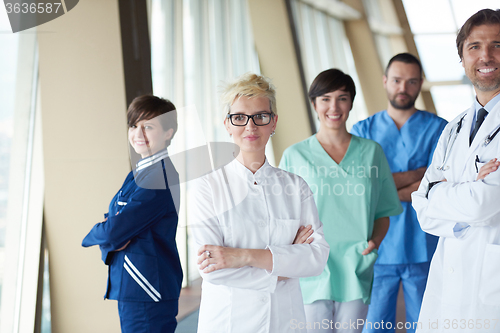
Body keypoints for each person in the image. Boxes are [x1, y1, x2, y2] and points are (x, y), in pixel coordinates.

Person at [190, 73, 330, 333]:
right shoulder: (207, 187)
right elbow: (211, 269)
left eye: (261, 117)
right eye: (240, 118)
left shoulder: (295, 186)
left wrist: (240, 256)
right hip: (229, 322)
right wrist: (284, 264)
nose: (250, 127)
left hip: (284, 321)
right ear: (228, 124)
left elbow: (316, 258)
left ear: (273, 122)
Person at [279, 68, 403, 333]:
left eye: (342, 98)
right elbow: (282, 214)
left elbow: (384, 210)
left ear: (351, 103)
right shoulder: (295, 156)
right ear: (314, 104)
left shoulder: (371, 153)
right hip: (312, 264)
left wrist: (375, 242)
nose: (333, 107)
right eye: (325, 98)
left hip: (355, 263)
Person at [412, 9, 500, 333]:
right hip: (448, 285)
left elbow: (484, 202)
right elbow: (422, 207)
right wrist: (464, 193)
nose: (486, 56)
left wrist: (443, 192)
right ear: (462, 58)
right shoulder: (454, 128)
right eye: (474, 47)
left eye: (497, 45)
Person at [350, 53, 448, 333]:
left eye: (411, 81)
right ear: (385, 81)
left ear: (420, 84)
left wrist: (383, 185)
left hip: (423, 241)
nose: (402, 88)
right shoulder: (363, 130)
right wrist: (418, 174)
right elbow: (363, 186)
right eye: (396, 80)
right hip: (377, 243)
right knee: (375, 324)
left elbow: (436, 184)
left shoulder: (440, 129)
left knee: (426, 322)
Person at [82, 95, 183, 333]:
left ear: (168, 132)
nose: (138, 133)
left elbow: (112, 230)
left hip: (146, 287)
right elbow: (114, 227)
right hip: (135, 286)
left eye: (148, 126)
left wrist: (101, 233)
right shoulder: (140, 173)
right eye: (133, 125)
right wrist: (112, 234)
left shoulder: (158, 178)